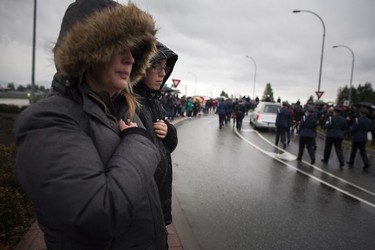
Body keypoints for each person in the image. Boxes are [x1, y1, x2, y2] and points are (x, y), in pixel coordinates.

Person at [15, 1, 168, 249]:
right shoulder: (46, 121)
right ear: (88, 51)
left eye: (133, 49)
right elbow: (98, 217)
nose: (130, 58)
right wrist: (139, 140)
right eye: (119, 46)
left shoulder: (125, 110)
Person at [134, 41, 178, 227]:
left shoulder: (155, 102)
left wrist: (169, 132)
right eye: (155, 66)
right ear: (139, 68)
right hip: (142, 204)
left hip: (158, 196)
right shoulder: (131, 104)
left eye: (165, 68)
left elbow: (169, 146)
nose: (163, 73)